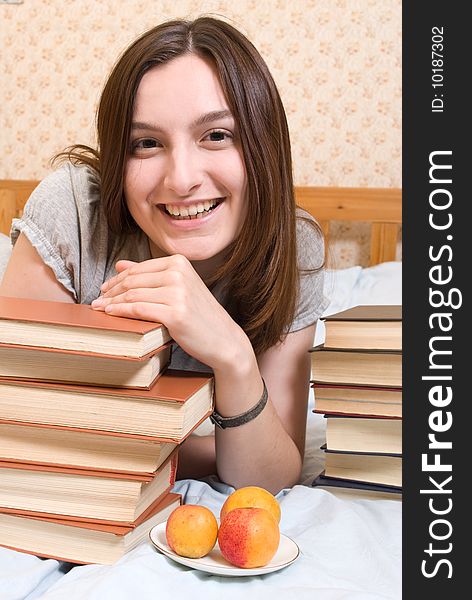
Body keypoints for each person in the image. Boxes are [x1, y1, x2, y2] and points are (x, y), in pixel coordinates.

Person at [0, 16, 328, 494]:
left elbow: (272, 473)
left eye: (216, 135)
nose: (181, 179)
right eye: (147, 144)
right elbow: (20, 421)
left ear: (262, 146)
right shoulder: (73, 209)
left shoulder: (293, 247)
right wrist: (212, 447)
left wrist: (233, 355)